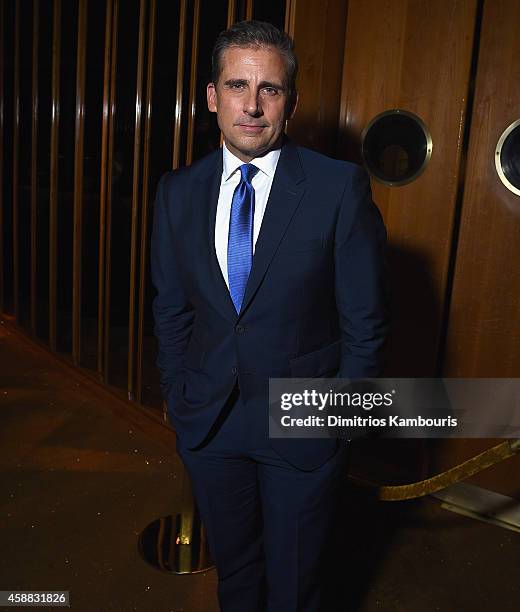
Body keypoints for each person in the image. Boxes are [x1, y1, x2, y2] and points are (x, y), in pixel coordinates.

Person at [151, 20, 388, 612]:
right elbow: (171, 306)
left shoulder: (339, 188)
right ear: (212, 97)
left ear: (292, 101)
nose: (251, 106)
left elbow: (367, 324)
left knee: (295, 587)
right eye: (236, 86)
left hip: (303, 422)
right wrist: (178, 392)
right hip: (209, 422)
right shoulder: (177, 191)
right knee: (235, 575)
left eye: (270, 90)